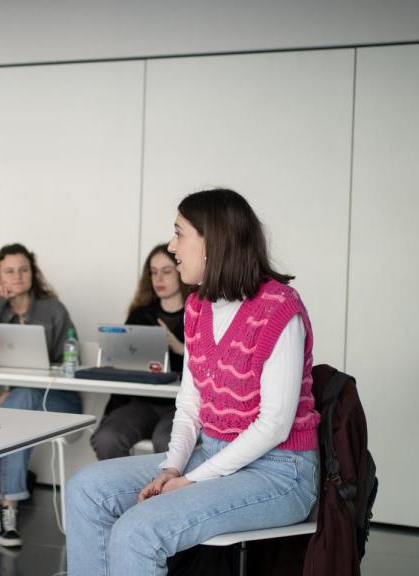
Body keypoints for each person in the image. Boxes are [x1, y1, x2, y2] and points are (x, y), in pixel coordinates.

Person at [66, 189, 320, 575]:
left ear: (212, 241)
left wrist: (192, 480)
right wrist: (172, 468)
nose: (172, 246)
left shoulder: (278, 307)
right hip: (213, 454)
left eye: (179, 232)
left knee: (138, 531)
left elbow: (274, 425)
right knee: (86, 489)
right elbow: (189, 404)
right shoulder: (197, 307)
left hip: (280, 472)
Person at [0, 243, 83, 549]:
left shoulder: (53, 310)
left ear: (33, 273)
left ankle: (8, 508)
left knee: (19, 402)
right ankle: (8, 506)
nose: (18, 276)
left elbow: (70, 362)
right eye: (9, 271)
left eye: (24, 269)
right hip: (16, 412)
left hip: (59, 404)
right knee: (19, 406)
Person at [90, 243, 192, 460]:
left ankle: (162, 494)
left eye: (166, 271)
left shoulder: (200, 313)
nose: (159, 279)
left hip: (182, 405)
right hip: (142, 403)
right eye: (153, 273)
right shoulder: (140, 315)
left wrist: (179, 347)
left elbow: (212, 366)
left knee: (168, 442)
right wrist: (110, 414)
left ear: (181, 270)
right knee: (107, 438)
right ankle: (119, 493)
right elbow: (122, 368)